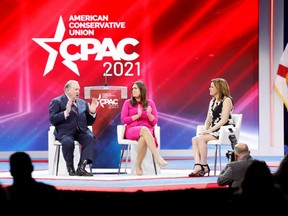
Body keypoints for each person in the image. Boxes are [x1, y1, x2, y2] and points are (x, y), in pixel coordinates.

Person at [49, 80, 99, 176]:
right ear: (67, 90)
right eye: (75, 89)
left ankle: (81, 167)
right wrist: (66, 112)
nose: (78, 92)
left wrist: (92, 112)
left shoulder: (82, 103)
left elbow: (89, 122)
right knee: (68, 142)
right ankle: (70, 167)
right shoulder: (56, 101)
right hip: (65, 132)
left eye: (79, 89)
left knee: (90, 137)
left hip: (81, 131)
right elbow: (52, 119)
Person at [189, 78, 234, 177]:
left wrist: (210, 130)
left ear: (219, 88)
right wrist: (205, 130)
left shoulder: (227, 100)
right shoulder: (212, 101)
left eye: (212, 87)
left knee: (201, 139)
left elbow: (224, 120)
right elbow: (208, 119)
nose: (209, 88)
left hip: (224, 130)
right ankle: (197, 165)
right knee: (194, 139)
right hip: (214, 130)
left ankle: (204, 166)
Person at [121, 80, 168, 175]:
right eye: (132, 88)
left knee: (143, 138)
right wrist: (137, 116)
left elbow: (154, 122)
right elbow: (124, 120)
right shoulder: (128, 103)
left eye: (135, 88)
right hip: (132, 129)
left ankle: (138, 167)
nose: (133, 90)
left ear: (141, 90)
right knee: (144, 130)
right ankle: (158, 157)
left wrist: (150, 115)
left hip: (147, 130)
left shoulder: (150, 103)